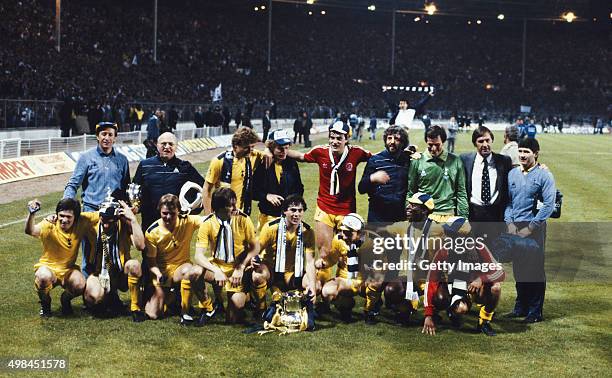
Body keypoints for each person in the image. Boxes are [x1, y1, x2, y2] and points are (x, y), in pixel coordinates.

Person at [286, 121, 371, 262]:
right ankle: (323, 283)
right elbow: (301, 157)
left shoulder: (357, 153)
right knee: (324, 255)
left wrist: (404, 154)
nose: (334, 142)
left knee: (347, 255)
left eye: (339, 138)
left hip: (346, 210)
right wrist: (275, 149)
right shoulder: (320, 152)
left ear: (347, 139)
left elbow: (377, 157)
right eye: (332, 137)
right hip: (324, 208)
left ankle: (345, 282)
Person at [64, 121, 130, 277]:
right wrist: (66, 205)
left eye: (110, 134)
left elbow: (126, 188)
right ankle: (90, 298)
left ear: (115, 138)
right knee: (89, 257)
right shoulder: (86, 158)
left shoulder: (122, 160)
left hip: (113, 216)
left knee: (113, 256)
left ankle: (110, 295)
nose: (106, 137)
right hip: (91, 213)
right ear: (97, 136)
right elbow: (73, 184)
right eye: (103, 134)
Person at [504, 138, 556, 323]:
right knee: (519, 268)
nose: (523, 155)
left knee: (534, 269)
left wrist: (531, 227)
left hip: (534, 229)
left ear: (536, 154)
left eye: (527, 152)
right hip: (515, 227)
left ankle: (535, 311)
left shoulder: (544, 175)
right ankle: (520, 307)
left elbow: (549, 205)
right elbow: (508, 203)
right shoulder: (512, 174)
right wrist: (509, 222)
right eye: (521, 151)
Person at [193, 188, 259, 324]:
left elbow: (255, 248)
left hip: (236, 268)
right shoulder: (207, 223)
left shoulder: (243, 219)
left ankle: (245, 295)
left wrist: (240, 267)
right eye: (231, 205)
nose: (236, 208)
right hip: (218, 265)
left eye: (235, 203)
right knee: (194, 272)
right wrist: (216, 270)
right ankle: (208, 306)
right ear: (219, 208)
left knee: (233, 319)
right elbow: (198, 256)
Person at [421, 229, 505, 337]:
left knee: (496, 288)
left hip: (475, 289)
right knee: (460, 308)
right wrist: (429, 314)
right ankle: (452, 311)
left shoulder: (479, 248)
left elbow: (500, 272)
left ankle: (484, 321)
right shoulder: (444, 251)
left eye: (451, 236)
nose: (447, 239)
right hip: (455, 288)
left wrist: (481, 279)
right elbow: (431, 280)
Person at [144, 194, 212, 325]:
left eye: (172, 213)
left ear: (178, 211)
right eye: (164, 213)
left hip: (181, 267)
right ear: (159, 211)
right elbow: (151, 262)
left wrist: (226, 212)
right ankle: (173, 297)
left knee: (189, 269)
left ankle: (191, 310)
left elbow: (207, 220)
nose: (168, 217)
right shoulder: (152, 232)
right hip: (162, 273)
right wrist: (158, 274)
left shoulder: (187, 220)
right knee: (152, 314)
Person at [25, 198, 98, 317]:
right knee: (43, 277)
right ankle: (45, 303)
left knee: (80, 284)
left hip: (68, 270)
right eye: (61, 215)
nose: (64, 220)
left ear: (76, 217)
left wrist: (128, 210)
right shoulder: (49, 224)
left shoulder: (82, 221)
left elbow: (101, 214)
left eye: (68, 217)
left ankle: (65, 300)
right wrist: (31, 214)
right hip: (48, 268)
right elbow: (30, 230)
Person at [83, 197, 146, 322]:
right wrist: (54, 217)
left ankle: (135, 307)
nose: (106, 225)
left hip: (119, 272)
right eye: (103, 220)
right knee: (95, 297)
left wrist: (133, 219)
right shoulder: (91, 221)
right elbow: (70, 217)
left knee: (134, 265)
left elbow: (140, 246)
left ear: (117, 218)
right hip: (99, 273)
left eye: (110, 221)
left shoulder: (123, 223)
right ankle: (109, 299)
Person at [252, 195, 317, 313]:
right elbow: (255, 249)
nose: (296, 214)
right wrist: (252, 259)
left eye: (300, 210)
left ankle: (303, 308)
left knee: (313, 283)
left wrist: (312, 286)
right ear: (284, 211)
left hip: (293, 273)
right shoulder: (271, 227)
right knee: (257, 276)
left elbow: (311, 261)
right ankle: (261, 308)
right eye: (293, 210)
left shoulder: (307, 231)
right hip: (272, 271)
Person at [132, 132, 204, 231]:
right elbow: (135, 190)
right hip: (149, 223)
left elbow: (202, 188)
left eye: (171, 144)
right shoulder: (144, 165)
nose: (167, 147)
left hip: (176, 225)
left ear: (176, 147)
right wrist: (136, 207)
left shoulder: (185, 167)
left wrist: (192, 208)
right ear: (157, 145)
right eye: (163, 144)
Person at [317, 213, 381, 323]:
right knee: (328, 291)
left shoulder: (374, 243)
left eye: (348, 233)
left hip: (365, 280)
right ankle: (345, 304)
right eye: (343, 231)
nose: (344, 236)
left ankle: (370, 309)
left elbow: (381, 269)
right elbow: (332, 258)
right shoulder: (339, 239)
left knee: (376, 283)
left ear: (360, 233)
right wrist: (323, 263)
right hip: (346, 278)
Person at [460, 126, 513, 242]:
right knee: (472, 251)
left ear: (492, 140)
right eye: (480, 141)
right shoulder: (464, 160)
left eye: (487, 140)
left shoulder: (504, 161)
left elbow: (518, 174)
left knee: (494, 253)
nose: (485, 144)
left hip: (495, 214)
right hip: (474, 213)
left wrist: (539, 167)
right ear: (475, 143)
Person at [407, 125, 468, 219]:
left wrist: (463, 217)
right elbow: (411, 191)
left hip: (447, 215)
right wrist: (409, 214)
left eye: (437, 145)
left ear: (443, 142)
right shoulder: (417, 160)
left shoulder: (455, 161)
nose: (434, 149)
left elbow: (461, 192)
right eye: (430, 145)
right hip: (423, 215)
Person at [203, 127, 264, 216]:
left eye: (252, 147)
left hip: (242, 214)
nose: (251, 150)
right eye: (247, 147)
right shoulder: (219, 161)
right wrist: (208, 216)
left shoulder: (253, 155)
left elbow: (275, 152)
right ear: (235, 146)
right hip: (223, 213)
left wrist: (269, 151)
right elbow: (206, 190)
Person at [358, 125, 413, 223]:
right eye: (389, 138)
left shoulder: (408, 160)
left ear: (403, 142)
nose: (392, 142)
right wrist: (372, 178)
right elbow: (361, 188)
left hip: (400, 217)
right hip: (377, 217)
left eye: (396, 139)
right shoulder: (375, 160)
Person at [252, 129, 304, 231]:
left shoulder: (292, 163)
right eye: (280, 149)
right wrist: (266, 196)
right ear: (271, 147)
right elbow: (252, 190)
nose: (284, 152)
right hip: (268, 216)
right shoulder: (263, 164)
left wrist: (293, 204)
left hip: (289, 216)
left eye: (286, 148)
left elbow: (299, 187)